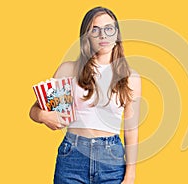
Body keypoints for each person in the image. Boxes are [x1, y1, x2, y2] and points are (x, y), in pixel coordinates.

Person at [29, 6, 141, 184]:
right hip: (72, 157)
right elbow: (34, 110)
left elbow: (131, 129)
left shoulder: (130, 78)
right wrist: (43, 115)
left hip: (111, 160)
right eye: (95, 30)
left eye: (108, 29)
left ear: (117, 34)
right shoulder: (69, 69)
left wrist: (130, 175)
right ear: (86, 36)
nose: (103, 35)